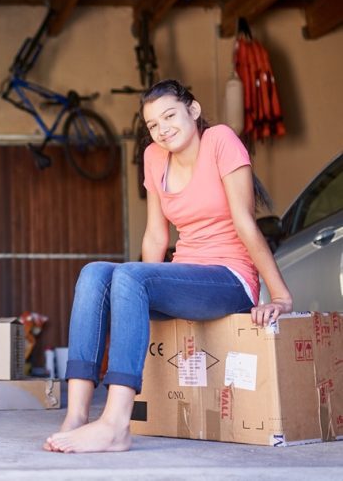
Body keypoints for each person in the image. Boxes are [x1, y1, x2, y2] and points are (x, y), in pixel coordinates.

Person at [43, 79, 293, 454]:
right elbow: (155, 236)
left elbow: (245, 224)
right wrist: (139, 293)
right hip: (185, 279)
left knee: (130, 276)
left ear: (193, 110)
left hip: (229, 279)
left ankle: (115, 426)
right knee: (94, 273)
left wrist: (280, 295)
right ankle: (76, 417)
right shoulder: (154, 157)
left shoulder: (220, 140)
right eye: (153, 124)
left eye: (170, 116)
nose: (162, 129)